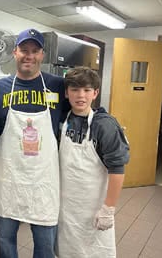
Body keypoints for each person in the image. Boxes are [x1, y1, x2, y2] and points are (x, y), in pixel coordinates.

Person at [0, 28, 69, 258]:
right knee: (5, 240)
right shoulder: (0, 88)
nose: (29, 55)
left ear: (42, 55)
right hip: (10, 179)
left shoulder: (57, 86)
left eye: (35, 51)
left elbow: (80, 104)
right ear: (14, 52)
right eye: (24, 50)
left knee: (45, 244)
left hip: (43, 180)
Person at [57, 66, 129, 257]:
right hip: (66, 207)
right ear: (66, 93)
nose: (81, 95)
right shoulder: (62, 120)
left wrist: (108, 208)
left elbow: (117, 169)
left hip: (94, 208)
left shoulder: (104, 125)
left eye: (87, 90)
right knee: (67, 251)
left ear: (95, 93)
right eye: (74, 89)